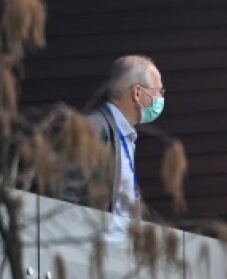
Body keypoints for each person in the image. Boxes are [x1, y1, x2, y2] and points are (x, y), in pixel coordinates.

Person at [66, 56, 166, 234]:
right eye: (159, 91)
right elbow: (67, 195)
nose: (160, 98)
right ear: (137, 93)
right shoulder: (94, 129)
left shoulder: (125, 135)